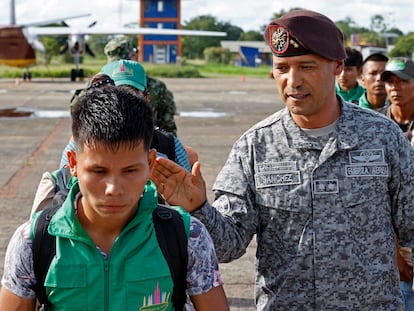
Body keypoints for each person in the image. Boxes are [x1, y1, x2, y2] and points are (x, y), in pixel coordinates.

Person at [150, 10, 414, 310]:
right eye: (282, 67)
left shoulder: (382, 137)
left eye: (306, 66)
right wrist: (197, 208)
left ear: (337, 67)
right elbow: (228, 245)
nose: (293, 80)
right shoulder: (254, 147)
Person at [0, 86, 229, 310]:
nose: (113, 189)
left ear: (150, 163)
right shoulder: (33, 242)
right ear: (73, 164)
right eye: (98, 171)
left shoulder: (187, 236)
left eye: (130, 171)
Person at [60, 62, 191, 172]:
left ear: (147, 98)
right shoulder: (78, 146)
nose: (123, 102)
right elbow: (64, 193)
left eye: (131, 94)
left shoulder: (170, 146)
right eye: (99, 171)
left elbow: (186, 194)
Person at [380, 58, 414, 310]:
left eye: (403, 81)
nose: (395, 87)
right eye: (390, 82)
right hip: (386, 239)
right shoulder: (372, 126)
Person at [105, 36, 178, 135]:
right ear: (133, 56)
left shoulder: (94, 86)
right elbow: (168, 127)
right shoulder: (156, 86)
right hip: (147, 145)